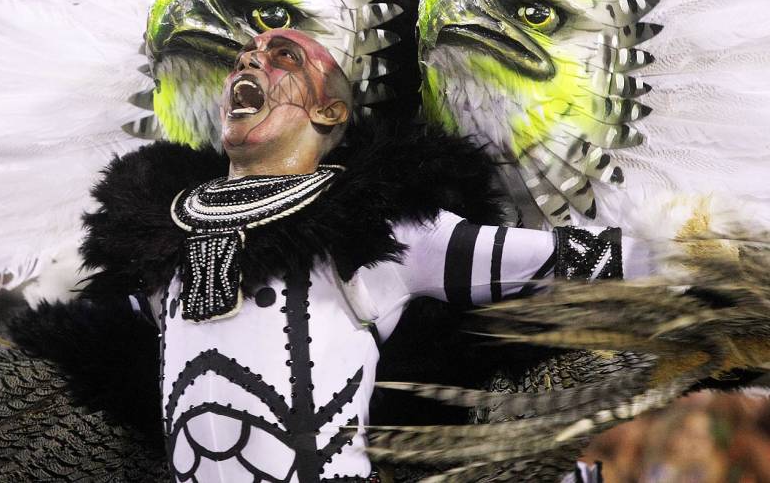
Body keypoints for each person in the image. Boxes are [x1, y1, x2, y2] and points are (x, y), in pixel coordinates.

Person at [80, 27, 650, 481]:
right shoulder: (162, 236)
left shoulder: (381, 227)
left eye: (283, 56)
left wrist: (701, 254)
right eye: (243, 58)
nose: (250, 63)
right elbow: (99, 331)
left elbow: (557, 258)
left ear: (330, 113)